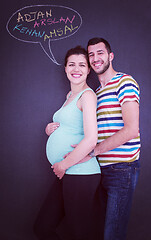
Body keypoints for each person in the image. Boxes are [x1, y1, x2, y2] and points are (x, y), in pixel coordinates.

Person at [47, 38, 141, 240]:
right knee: (96, 229)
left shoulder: (124, 82)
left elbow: (132, 129)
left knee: (112, 233)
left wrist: (92, 151)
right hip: (100, 167)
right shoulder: (97, 92)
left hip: (121, 167)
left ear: (110, 56)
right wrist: (54, 129)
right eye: (91, 55)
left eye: (101, 53)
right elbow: (79, 125)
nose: (96, 58)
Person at [34, 46, 102, 240]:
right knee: (42, 227)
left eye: (82, 65)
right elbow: (72, 125)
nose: (76, 68)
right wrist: (52, 129)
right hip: (68, 172)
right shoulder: (69, 97)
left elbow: (91, 139)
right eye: (71, 64)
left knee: (79, 233)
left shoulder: (87, 96)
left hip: (80, 173)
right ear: (65, 68)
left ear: (89, 70)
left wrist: (63, 164)